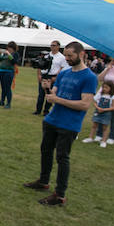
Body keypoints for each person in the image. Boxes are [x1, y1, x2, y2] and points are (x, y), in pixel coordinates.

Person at [23, 41, 96, 206]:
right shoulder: (64, 73)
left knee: (62, 157)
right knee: (46, 151)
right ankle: (43, 181)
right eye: (66, 55)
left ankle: (60, 195)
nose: (67, 58)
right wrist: (47, 88)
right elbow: (53, 94)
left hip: (69, 124)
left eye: (71, 55)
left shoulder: (89, 77)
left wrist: (57, 100)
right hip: (52, 120)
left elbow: (85, 104)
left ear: (81, 54)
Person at [33, 40, 67, 116]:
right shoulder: (46, 55)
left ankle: (46, 111)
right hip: (44, 75)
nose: (52, 47)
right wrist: (39, 75)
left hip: (52, 76)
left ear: (58, 46)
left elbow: (61, 69)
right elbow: (40, 65)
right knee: (41, 94)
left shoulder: (61, 57)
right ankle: (38, 110)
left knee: (49, 94)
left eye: (54, 45)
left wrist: (56, 78)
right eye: (51, 45)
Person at [82, 80, 114, 147]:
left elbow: (113, 107)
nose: (104, 89)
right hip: (98, 112)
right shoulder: (100, 94)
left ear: (111, 88)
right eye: (103, 87)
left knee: (105, 127)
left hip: (106, 114)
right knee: (94, 125)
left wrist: (104, 109)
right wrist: (97, 107)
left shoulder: (113, 97)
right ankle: (91, 137)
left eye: (106, 87)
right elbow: (94, 101)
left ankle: (103, 141)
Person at [0, 41, 20, 108]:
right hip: (2, 71)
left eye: (10, 48)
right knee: (3, 88)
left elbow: (14, 62)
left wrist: (8, 54)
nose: (8, 49)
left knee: (7, 88)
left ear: (13, 48)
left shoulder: (15, 54)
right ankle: (2, 101)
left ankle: (8, 103)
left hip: (9, 72)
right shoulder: (4, 53)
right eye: (8, 47)